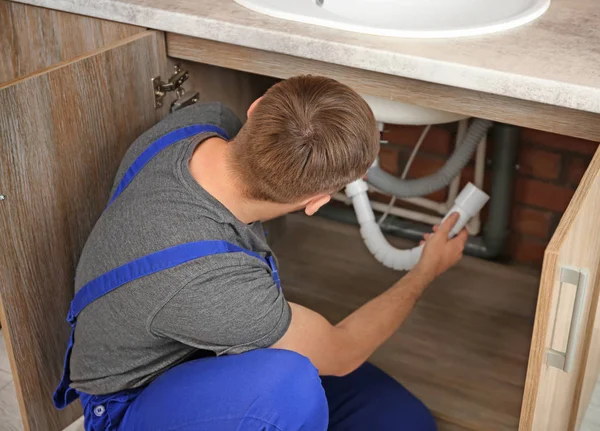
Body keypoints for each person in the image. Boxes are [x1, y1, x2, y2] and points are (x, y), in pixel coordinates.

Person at [53, 75, 468, 430]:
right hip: (131, 401)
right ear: (318, 201)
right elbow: (341, 353)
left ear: (255, 109)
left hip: (195, 344)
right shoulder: (216, 288)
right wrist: (425, 270)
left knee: (401, 420)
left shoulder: (203, 123)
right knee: (288, 386)